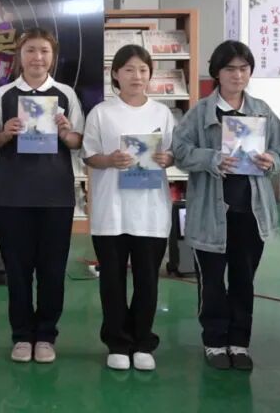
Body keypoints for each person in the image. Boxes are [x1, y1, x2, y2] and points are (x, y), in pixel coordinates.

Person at [172, 40, 280, 371]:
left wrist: (272, 160)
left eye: (243, 68)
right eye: (230, 69)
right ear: (217, 72)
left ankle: (239, 342)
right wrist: (211, 158)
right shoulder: (201, 112)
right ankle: (214, 341)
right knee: (212, 282)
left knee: (244, 280)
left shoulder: (261, 111)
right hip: (210, 213)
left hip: (251, 213)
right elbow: (179, 151)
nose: (237, 75)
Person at [0, 28, 84, 365]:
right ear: (20, 54)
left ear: (52, 56)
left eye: (44, 51)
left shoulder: (66, 94)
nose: (37, 57)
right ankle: (21, 335)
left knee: (52, 271)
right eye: (30, 50)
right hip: (12, 196)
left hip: (56, 197)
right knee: (17, 272)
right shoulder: (4, 94)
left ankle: (45, 335)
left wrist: (66, 132)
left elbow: (78, 142)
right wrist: (6, 132)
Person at [81, 45, 176, 371]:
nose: (137, 76)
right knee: (112, 280)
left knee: (148, 281)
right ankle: (118, 342)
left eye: (143, 70)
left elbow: (173, 153)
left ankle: (143, 341)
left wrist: (167, 158)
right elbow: (89, 155)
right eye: (129, 70)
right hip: (112, 210)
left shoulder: (162, 113)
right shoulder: (101, 113)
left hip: (151, 211)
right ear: (115, 74)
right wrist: (109, 160)